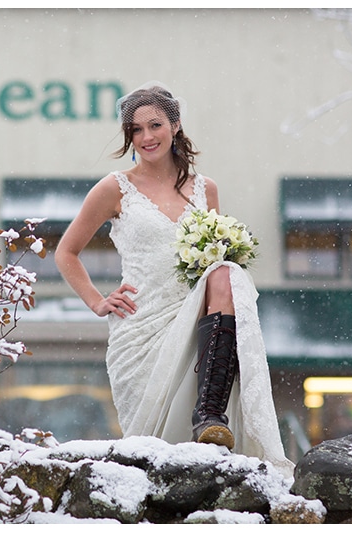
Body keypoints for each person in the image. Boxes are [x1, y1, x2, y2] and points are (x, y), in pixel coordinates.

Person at [55, 82, 294, 477]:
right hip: (142, 328)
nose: (146, 137)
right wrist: (97, 301)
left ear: (176, 125)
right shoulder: (115, 188)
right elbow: (66, 252)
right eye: (135, 129)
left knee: (225, 271)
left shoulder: (206, 190)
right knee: (152, 460)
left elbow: (217, 256)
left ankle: (210, 414)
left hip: (198, 319)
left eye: (155, 125)